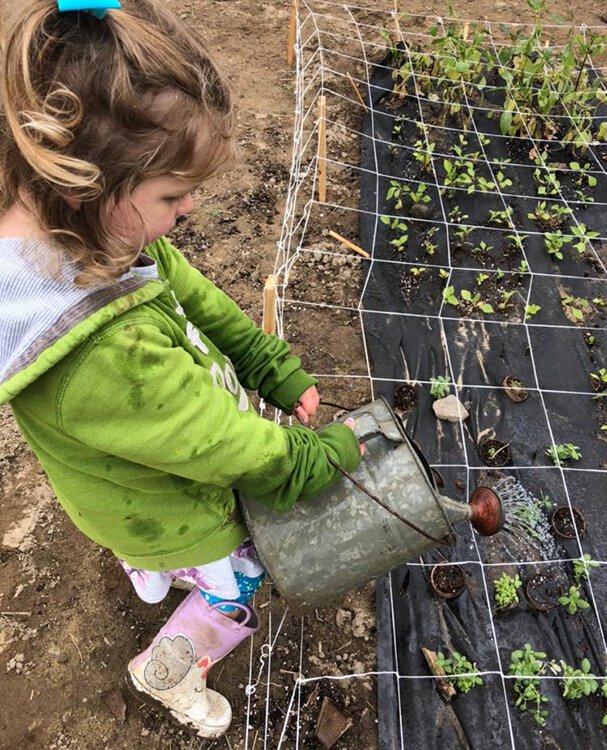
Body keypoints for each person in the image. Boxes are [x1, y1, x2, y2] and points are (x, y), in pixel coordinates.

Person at [0, 0, 364, 739]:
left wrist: (271, 368)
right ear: (86, 185)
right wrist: (315, 458)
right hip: (165, 506)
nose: (190, 208)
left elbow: (204, 306)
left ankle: (152, 573)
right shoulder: (96, 353)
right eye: (172, 195)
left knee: (148, 532)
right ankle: (172, 666)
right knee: (242, 583)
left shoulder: (101, 232)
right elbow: (215, 445)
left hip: (124, 484)